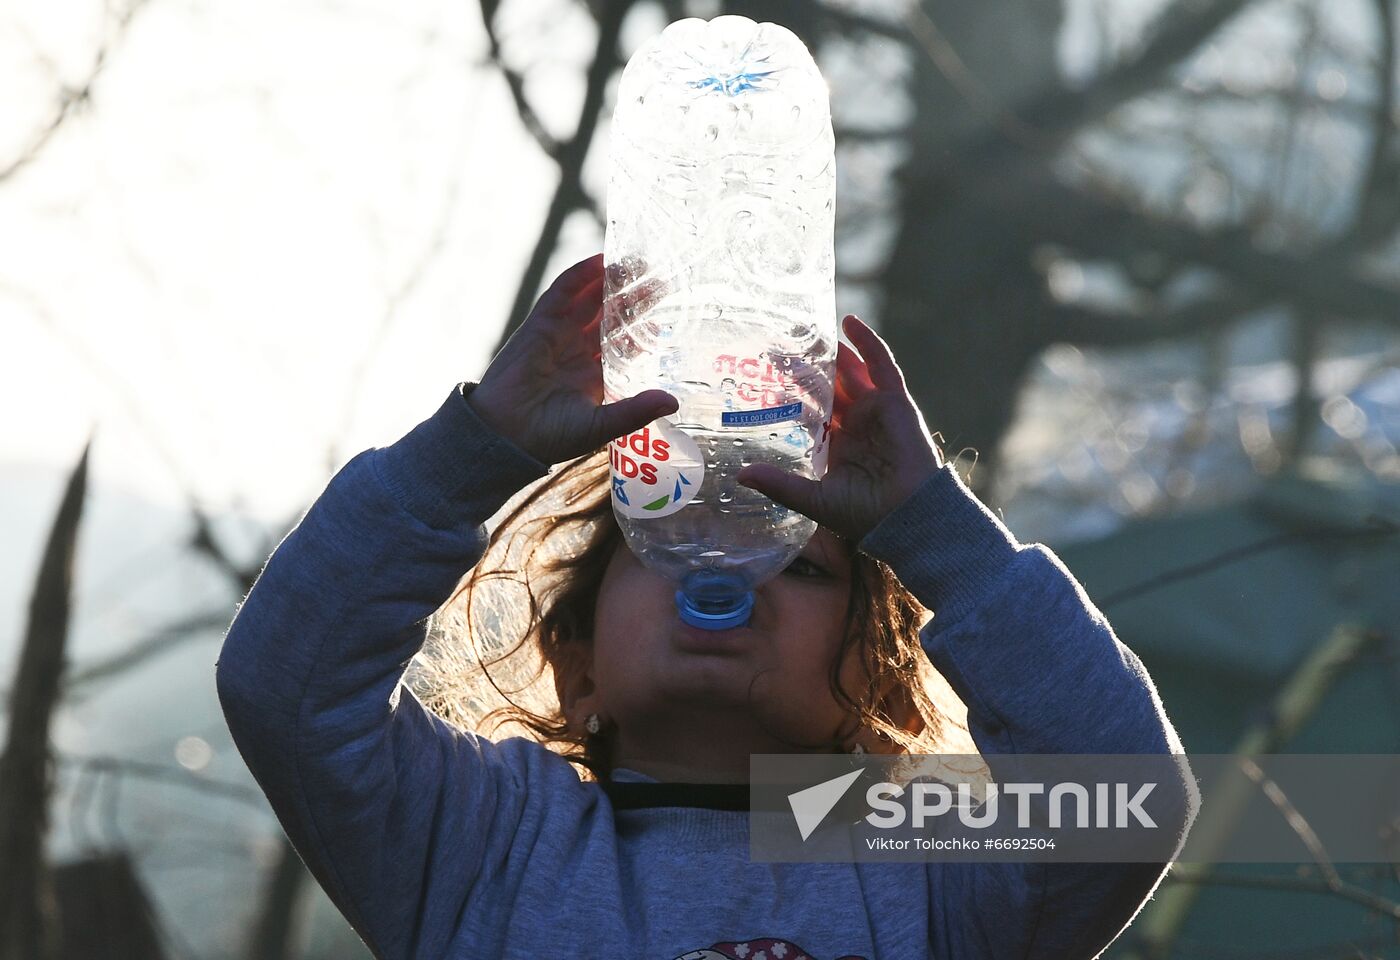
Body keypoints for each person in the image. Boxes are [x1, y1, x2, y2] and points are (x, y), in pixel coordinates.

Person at [216, 253, 1197, 960]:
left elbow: (1128, 803)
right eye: (665, 537)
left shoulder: (918, 852)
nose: (723, 568)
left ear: (875, 674)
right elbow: (286, 690)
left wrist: (933, 529)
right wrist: (472, 450)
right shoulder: (482, 832)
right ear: (574, 655)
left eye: (800, 564)